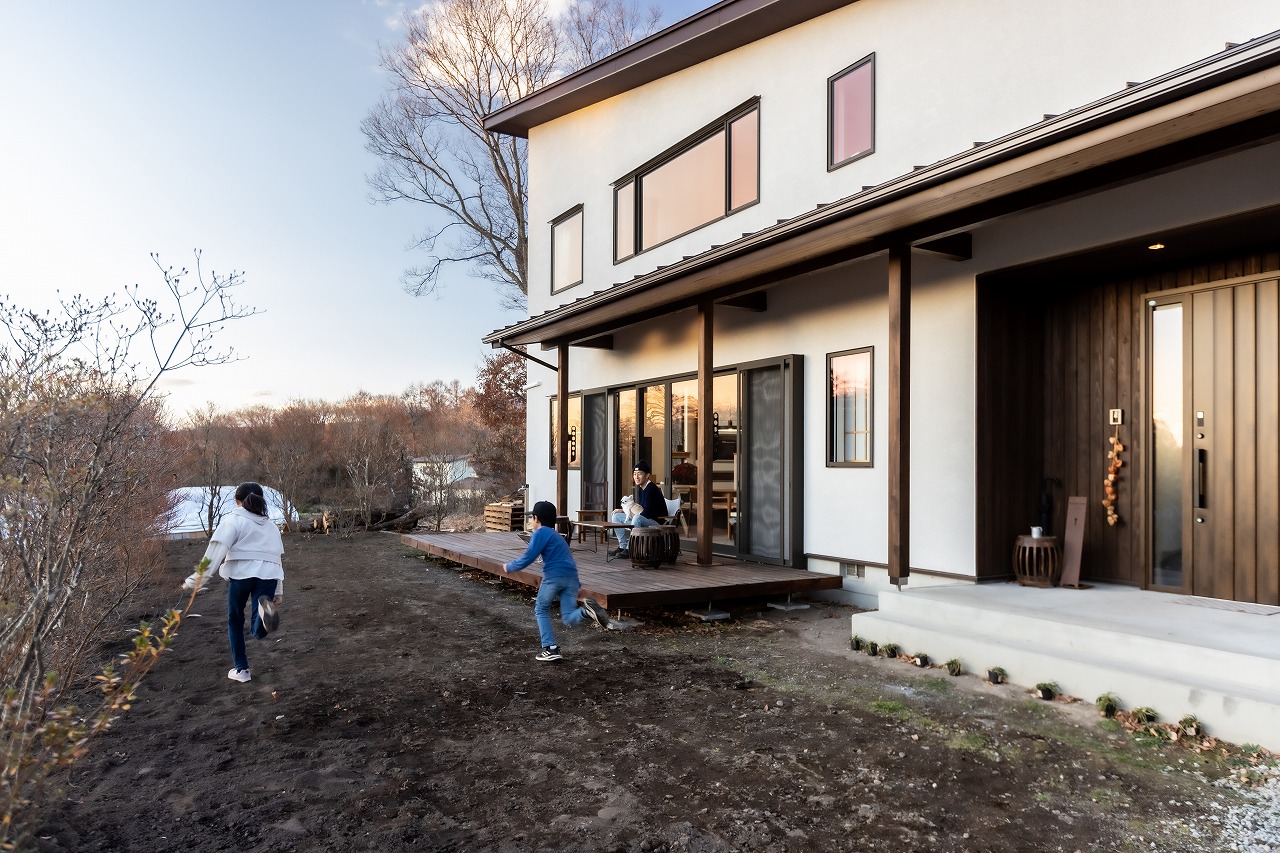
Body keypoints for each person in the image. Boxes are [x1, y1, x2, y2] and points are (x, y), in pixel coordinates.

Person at [182, 482, 284, 683]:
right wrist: (278, 591)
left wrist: (197, 579)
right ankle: (265, 614)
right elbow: (277, 557)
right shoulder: (271, 526)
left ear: (237, 501)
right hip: (269, 575)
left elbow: (217, 549)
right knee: (257, 629)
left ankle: (242, 670)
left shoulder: (233, 519)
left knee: (235, 619)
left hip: (241, 574)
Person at [503, 500, 609, 661]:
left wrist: (510, 566)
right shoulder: (558, 537)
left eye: (531, 518)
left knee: (541, 609)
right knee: (568, 617)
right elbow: (569, 561)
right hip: (570, 578)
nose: (530, 521)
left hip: (554, 576)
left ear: (536, 518)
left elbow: (529, 557)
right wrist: (576, 585)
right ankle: (586, 611)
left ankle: (550, 648)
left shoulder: (540, 533)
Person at [609, 460, 666, 558]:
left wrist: (633, 519)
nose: (636, 476)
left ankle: (630, 548)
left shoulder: (651, 488)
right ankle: (622, 546)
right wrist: (622, 510)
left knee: (637, 518)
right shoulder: (641, 488)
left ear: (647, 475)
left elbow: (646, 512)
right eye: (634, 474)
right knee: (616, 516)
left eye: (639, 474)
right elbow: (640, 509)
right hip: (644, 519)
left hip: (656, 523)